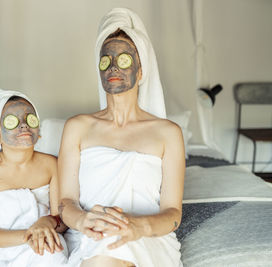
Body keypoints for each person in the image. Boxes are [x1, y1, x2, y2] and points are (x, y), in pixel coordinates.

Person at [58, 8, 184, 267]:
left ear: (140, 71)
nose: (113, 66)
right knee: (105, 244)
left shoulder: (168, 133)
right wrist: (83, 221)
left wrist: (138, 227)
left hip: (149, 236)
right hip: (90, 235)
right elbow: (65, 202)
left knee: (111, 245)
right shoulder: (77, 127)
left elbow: (173, 214)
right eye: (106, 60)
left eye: (124, 59)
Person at [0, 89, 68, 266]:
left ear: (38, 130)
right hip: (4, 249)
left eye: (30, 119)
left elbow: (62, 220)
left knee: (51, 253)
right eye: (12, 122)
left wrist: (47, 221)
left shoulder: (51, 165)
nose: (24, 125)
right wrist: (30, 235)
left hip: (46, 242)